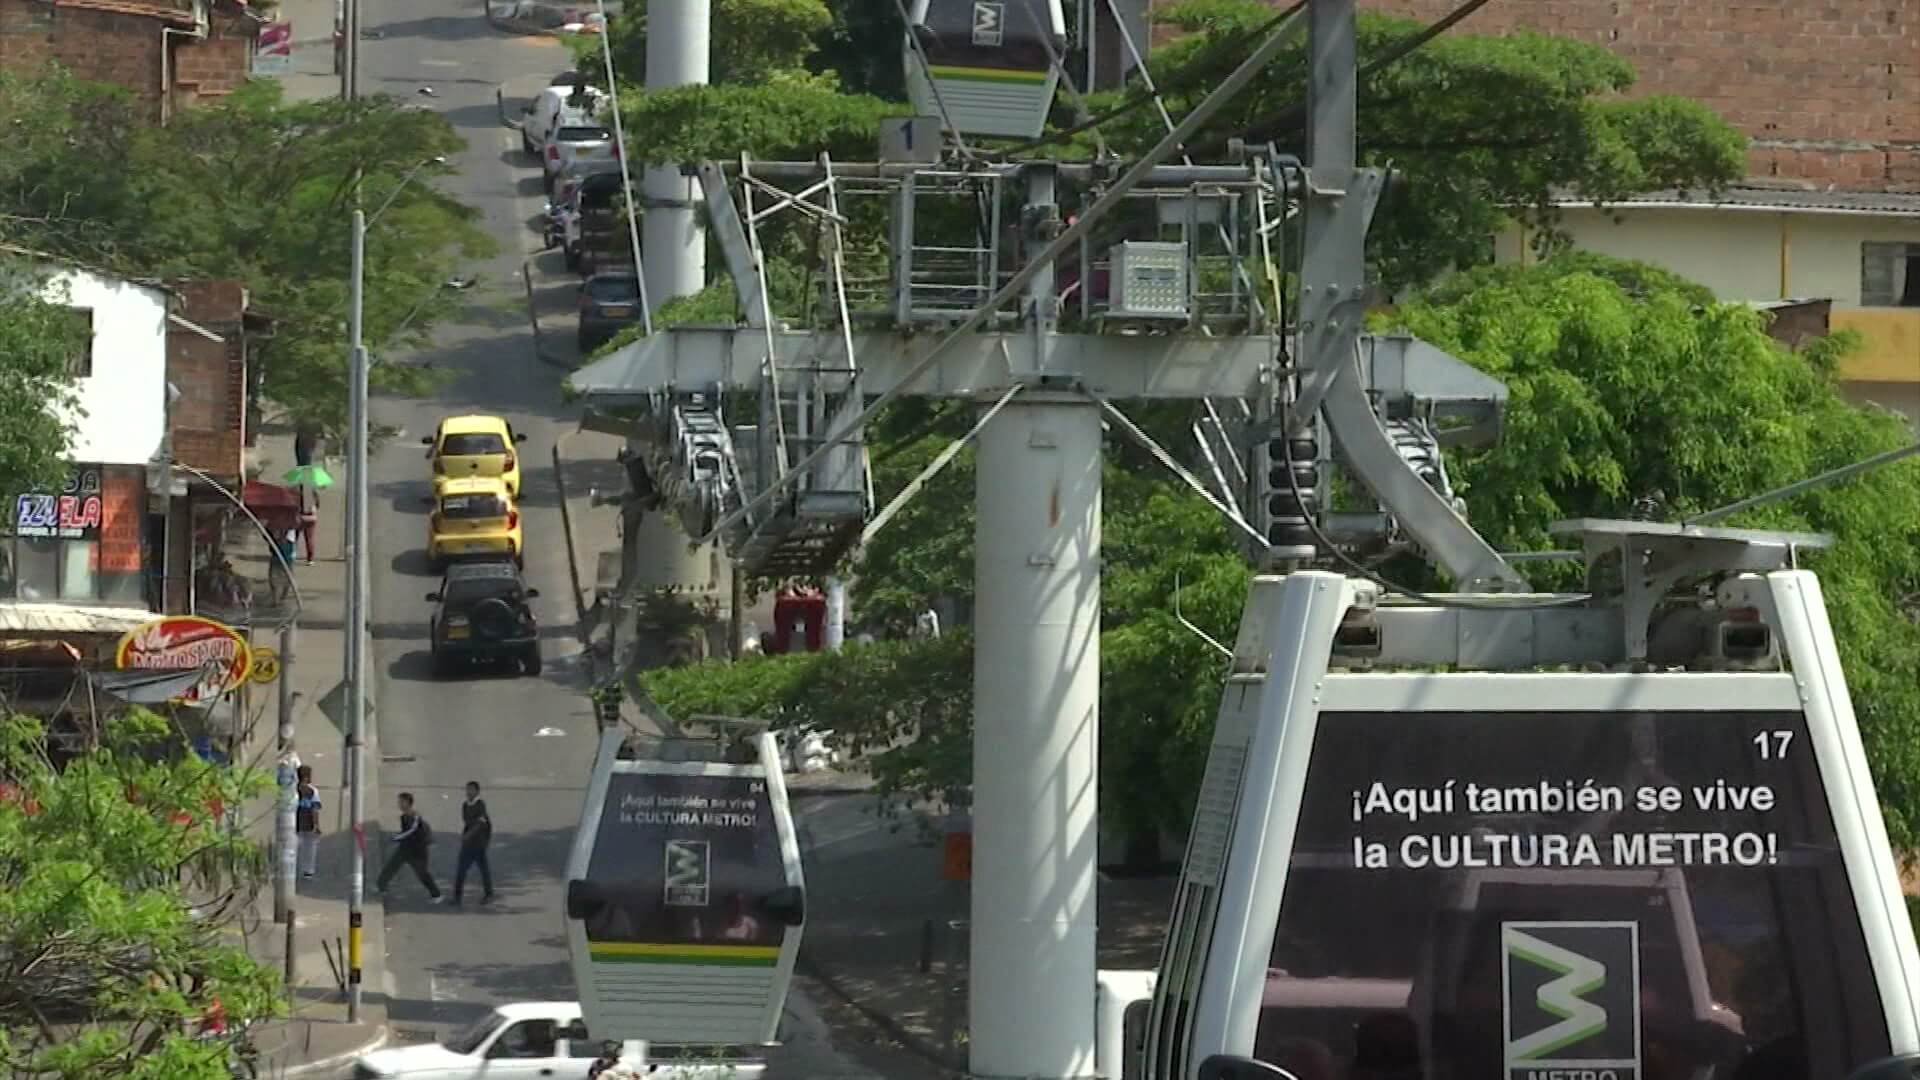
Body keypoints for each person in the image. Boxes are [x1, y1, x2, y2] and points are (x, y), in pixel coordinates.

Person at [376, 792, 442, 902]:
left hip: (418, 850)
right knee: (391, 866)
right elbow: (406, 833)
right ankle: (381, 887)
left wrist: (395, 838)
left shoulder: (415, 816)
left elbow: (410, 831)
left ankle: (437, 895)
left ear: (408, 803)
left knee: (422, 873)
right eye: (399, 801)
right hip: (405, 848)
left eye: (402, 802)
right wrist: (398, 838)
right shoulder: (404, 816)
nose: (399, 804)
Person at [452, 780, 495, 905]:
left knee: (480, 869)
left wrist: (468, 835)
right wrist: (465, 836)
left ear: (477, 791)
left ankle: (488, 894)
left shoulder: (480, 804)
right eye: (467, 789)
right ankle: (457, 897)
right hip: (468, 843)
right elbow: (467, 822)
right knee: (463, 869)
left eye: (471, 790)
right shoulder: (465, 805)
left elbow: (481, 823)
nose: (468, 792)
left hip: (479, 843)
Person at [295, 765, 322, 879]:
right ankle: (308, 871)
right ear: (306, 777)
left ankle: (295, 869)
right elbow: (315, 809)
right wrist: (316, 825)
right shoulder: (313, 791)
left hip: (296, 823)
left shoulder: (293, 789)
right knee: (310, 847)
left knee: (297, 847)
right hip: (309, 824)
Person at [297, 488, 318, 564]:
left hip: (300, 517)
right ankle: (310, 558)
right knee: (310, 538)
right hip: (311, 518)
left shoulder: (297, 492)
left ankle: (293, 554)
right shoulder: (312, 492)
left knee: (295, 536)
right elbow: (317, 504)